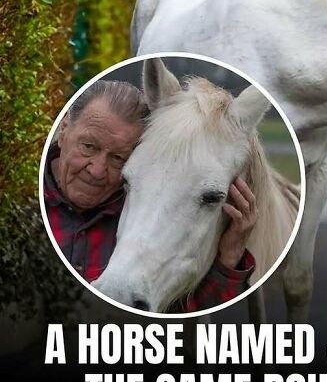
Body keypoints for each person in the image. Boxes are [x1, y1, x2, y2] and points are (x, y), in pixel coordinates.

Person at [44, 79, 257, 312]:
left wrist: (228, 261)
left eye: (118, 158)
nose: (97, 170)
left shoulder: (141, 212)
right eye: (88, 146)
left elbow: (182, 321)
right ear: (63, 129)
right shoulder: (22, 204)